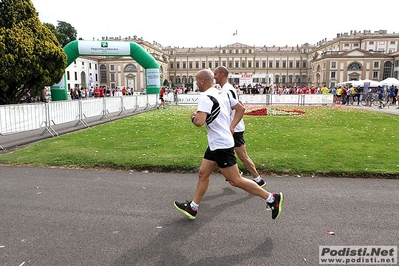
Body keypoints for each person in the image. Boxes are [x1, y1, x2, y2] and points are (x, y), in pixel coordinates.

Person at [174, 69, 283, 220]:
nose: (196, 83)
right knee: (203, 173)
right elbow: (241, 108)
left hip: (221, 145)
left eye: (196, 80)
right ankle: (193, 207)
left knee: (235, 180)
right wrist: (231, 126)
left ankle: (272, 198)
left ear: (202, 81)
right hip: (216, 143)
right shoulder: (221, 93)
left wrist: (192, 117)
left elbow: (199, 122)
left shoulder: (205, 96)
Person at [213, 66, 266, 188]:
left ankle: (258, 179)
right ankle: (234, 173)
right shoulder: (226, 89)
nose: (214, 76)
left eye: (215, 74)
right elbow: (239, 104)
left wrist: (232, 126)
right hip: (229, 128)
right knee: (220, 153)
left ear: (222, 75)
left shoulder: (227, 90)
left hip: (234, 129)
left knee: (242, 156)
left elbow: (238, 108)